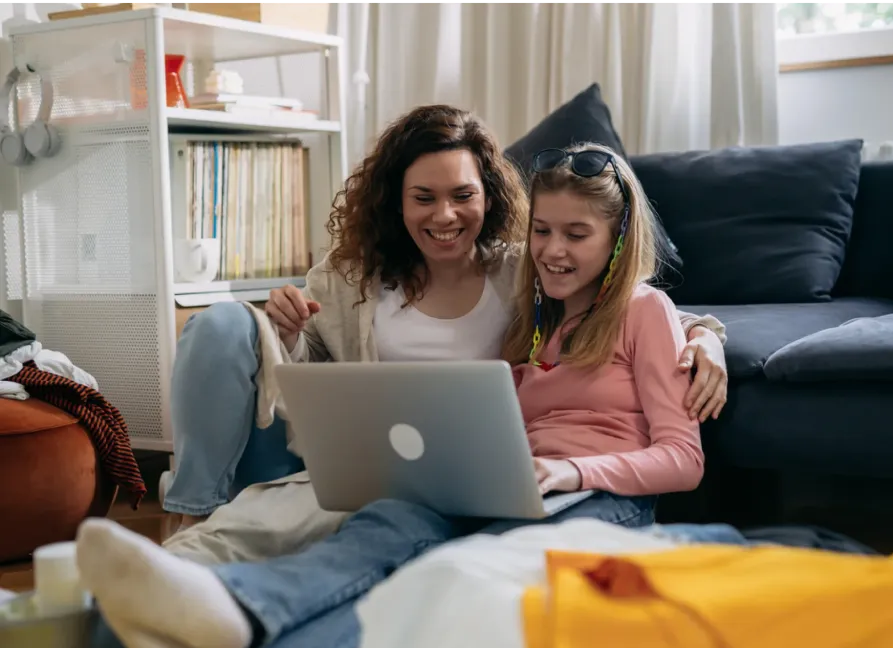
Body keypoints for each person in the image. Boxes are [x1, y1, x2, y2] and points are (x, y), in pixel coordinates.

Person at [77, 142, 720, 648]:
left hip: (599, 496)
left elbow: (682, 459)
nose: (551, 251)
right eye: (543, 232)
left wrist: (573, 466)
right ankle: (232, 611)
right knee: (388, 526)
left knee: (448, 575)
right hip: (512, 481)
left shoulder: (645, 310)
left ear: (616, 239)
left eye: (575, 235)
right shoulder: (529, 314)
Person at [162, 104, 729, 535]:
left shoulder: (521, 271)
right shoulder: (350, 278)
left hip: (448, 482)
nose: (445, 215)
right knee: (219, 323)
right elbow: (302, 376)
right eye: (423, 198)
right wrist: (284, 330)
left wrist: (705, 338)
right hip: (338, 462)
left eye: (463, 195)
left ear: (490, 197)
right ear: (397, 202)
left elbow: (624, 301)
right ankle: (190, 516)